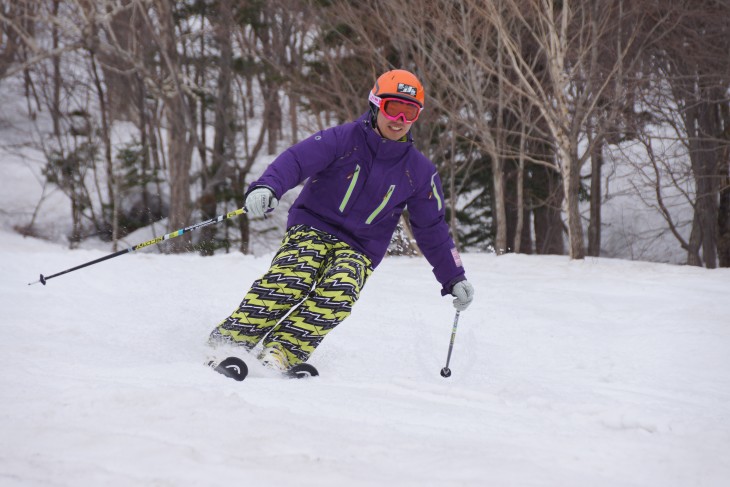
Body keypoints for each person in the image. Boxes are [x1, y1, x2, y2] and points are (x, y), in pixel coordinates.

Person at [209, 69, 474, 371]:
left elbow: (432, 227)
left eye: (409, 113)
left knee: (341, 288)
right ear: (376, 105)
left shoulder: (419, 171)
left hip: (361, 248)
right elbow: (296, 160)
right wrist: (268, 186)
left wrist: (454, 276)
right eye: (393, 109)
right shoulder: (342, 139)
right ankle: (230, 341)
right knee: (295, 275)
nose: (399, 121)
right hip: (313, 227)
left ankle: (282, 352)